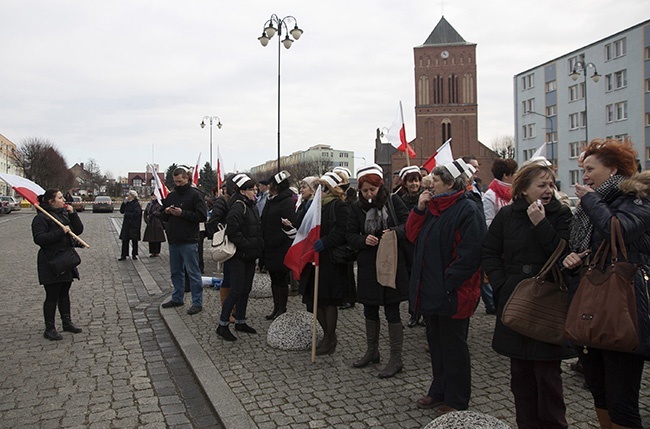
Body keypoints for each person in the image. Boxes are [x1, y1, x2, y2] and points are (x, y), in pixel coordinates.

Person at [561, 139, 650, 429]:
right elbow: (589, 243)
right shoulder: (598, 201)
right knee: (599, 391)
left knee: (622, 400)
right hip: (592, 305)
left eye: (590, 169)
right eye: (583, 169)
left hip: (622, 308)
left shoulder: (636, 196)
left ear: (612, 169)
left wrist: (590, 200)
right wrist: (575, 257)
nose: (584, 176)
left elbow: (620, 230)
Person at [482, 161, 574, 429]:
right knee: (520, 378)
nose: (548, 190)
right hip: (514, 303)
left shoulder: (561, 214)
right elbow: (489, 252)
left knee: (548, 380)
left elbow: (563, 254)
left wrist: (541, 223)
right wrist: (502, 285)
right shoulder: (507, 216)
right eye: (541, 185)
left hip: (547, 304)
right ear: (523, 189)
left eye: (551, 185)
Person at [406, 158, 486, 416]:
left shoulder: (467, 210)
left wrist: (447, 283)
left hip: (453, 293)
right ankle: (438, 389)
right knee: (437, 345)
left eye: (435, 182)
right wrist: (419, 209)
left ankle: (457, 398)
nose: (430, 187)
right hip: (432, 290)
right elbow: (412, 236)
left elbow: (469, 255)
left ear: (450, 183)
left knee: (454, 348)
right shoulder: (435, 207)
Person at [347, 164, 410, 378]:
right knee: (369, 310)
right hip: (368, 266)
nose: (368, 194)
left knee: (392, 311)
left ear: (379, 187)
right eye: (364, 191)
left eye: (371, 190)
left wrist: (392, 232)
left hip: (391, 264)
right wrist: (363, 239)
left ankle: (396, 358)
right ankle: (372, 351)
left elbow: (408, 224)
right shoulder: (356, 208)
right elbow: (350, 235)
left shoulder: (393, 201)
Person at [300, 172, 351, 355]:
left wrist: (326, 242)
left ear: (331, 189)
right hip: (315, 259)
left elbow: (342, 231)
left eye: (323, 187)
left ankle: (330, 336)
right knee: (315, 300)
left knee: (328, 300)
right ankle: (326, 334)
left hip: (330, 261)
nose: (318, 191)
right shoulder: (316, 206)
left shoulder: (339, 206)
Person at [32, 188, 84, 340]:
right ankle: (49, 328)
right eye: (60, 198)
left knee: (64, 292)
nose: (63, 200)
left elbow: (78, 231)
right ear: (51, 201)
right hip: (51, 260)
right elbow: (39, 239)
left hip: (66, 258)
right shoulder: (41, 218)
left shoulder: (63, 214)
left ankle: (66, 322)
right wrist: (60, 232)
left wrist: (73, 213)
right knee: (52, 295)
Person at [217, 173, 264, 341]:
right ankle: (222, 325)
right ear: (243, 191)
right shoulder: (238, 206)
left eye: (255, 189)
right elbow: (233, 232)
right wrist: (248, 245)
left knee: (245, 289)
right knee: (236, 290)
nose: (255, 192)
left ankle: (240, 321)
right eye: (252, 189)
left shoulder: (251, 204)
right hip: (239, 256)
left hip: (250, 255)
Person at [161, 167, 208, 315]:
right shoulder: (172, 195)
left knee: (193, 272)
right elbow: (163, 216)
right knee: (176, 272)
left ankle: (197, 302)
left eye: (180, 181)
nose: (178, 184)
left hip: (189, 240)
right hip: (174, 239)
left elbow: (202, 216)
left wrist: (182, 213)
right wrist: (166, 212)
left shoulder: (195, 195)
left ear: (187, 179)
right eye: (175, 182)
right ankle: (177, 297)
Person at [480, 158, 518, 315]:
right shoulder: (490, 196)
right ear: (506, 175)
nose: (517, 175)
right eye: (515, 173)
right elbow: (488, 224)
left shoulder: (517, 193)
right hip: (501, 249)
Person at [261, 170, 296, 320]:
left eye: (271, 184)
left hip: (280, 247)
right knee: (273, 279)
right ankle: (276, 307)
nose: (269, 186)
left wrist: (275, 240)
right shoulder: (271, 199)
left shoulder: (286, 201)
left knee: (281, 279)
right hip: (269, 246)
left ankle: (282, 308)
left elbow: (289, 226)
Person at [396, 165, 423, 327]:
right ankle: (414, 312)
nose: (414, 184)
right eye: (411, 181)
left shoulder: (427, 198)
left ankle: (425, 312)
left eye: (417, 181)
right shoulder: (400, 200)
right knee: (412, 281)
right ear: (405, 183)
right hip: (408, 246)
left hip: (423, 243)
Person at [119, 190, 142, 261]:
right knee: (125, 240)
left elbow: (136, 214)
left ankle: (134, 254)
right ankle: (124, 255)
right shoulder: (127, 203)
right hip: (126, 224)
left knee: (134, 240)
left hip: (134, 225)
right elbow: (121, 211)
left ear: (132, 196)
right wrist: (123, 203)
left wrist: (128, 215)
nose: (127, 196)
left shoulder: (136, 204)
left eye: (129, 195)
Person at [143, 193, 166, 257]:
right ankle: (152, 251)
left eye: (154, 196)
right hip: (150, 223)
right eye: (152, 196)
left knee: (157, 238)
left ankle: (157, 252)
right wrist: (147, 221)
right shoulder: (149, 205)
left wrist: (157, 214)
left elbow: (163, 214)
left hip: (157, 223)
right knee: (151, 238)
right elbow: (145, 214)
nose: (153, 197)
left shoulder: (160, 204)